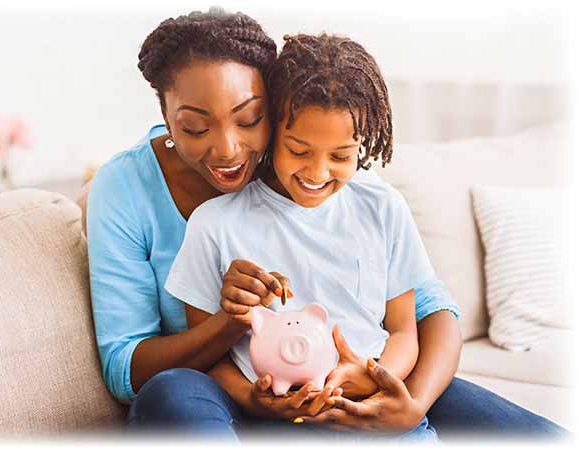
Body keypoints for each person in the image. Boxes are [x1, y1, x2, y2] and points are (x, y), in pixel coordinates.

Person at [84, 7, 566, 441]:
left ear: (275, 107)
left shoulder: (348, 189)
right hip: (225, 392)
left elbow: (423, 309)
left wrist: (407, 398)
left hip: (358, 377)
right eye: (194, 127)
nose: (228, 149)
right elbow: (125, 364)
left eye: (250, 118)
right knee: (174, 392)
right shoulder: (136, 193)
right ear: (165, 115)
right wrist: (233, 331)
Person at [164, 32, 441, 443]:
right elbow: (208, 356)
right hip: (274, 423)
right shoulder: (215, 224)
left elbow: (403, 332)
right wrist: (254, 400)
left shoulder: (382, 205)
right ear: (273, 130)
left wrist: (373, 376)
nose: (316, 173)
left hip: (373, 417)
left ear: (362, 147)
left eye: (341, 156)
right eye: (298, 150)